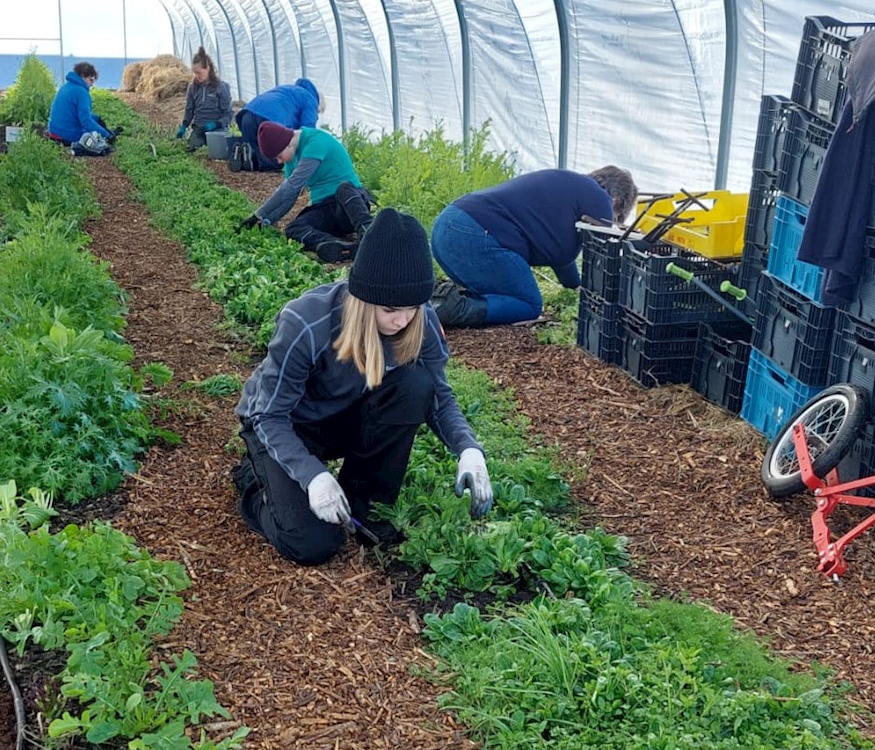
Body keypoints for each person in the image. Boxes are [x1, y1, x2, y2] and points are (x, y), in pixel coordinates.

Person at [233, 207, 492, 566]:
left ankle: (364, 503)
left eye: (412, 308)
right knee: (312, 544)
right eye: (389, 309)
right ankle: (255, 480)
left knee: (415, 384)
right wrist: (313, 478)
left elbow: (437, 395)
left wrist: (468, 449)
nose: (402, 320)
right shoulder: (306, 323)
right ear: (364, 296)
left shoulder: (420, 322)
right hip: (286, 426)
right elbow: (269, 416)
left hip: (345, 414)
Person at [428, 166, 639, 328]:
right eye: (617, 218)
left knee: (501, 296)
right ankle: (456, 309)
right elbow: (596, 254)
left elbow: (561, 254)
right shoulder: (600, 199)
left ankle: (440, 300)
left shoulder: (570, 187)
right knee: (529, 304)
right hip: (476, 236)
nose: (613, 223)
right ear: (615, 201)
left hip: (447, 227)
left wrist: (575, 284)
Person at [238, 120, 374, 265]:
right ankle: (339, 246)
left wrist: (258, 214)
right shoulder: (291, 157)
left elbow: (290, 186)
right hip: (325, 208)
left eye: (279, 156)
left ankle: (369, 233)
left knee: (344, 188)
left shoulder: (316, 142)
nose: (279, 162)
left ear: (288, 144)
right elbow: (289, 196)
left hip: (349, 206)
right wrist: (266, 220)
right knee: (293, 228)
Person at [232, 76, 321, 171]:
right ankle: (255, 162)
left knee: (254, 147)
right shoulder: (311, 99)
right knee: (276, 157)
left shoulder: (286, 89)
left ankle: (243, 154)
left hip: (248, 113)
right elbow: (308, 130)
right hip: (271, 119)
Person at [47, 62, 116, 156]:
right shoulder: (81, 93)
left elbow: (74, 113)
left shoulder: (65, 86)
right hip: (67, 136)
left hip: (54, 133)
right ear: (83, 76)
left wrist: (96, 119)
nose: (92, 84)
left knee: (95, 125)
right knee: (100, 146)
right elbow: (86, 122)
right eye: (91, 80)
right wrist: (107, 135)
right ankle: (78, 150)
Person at [175, 48, 234, 150]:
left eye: (199, 72)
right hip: (199, 130)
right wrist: (184, 126)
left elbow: (228, 114)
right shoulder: (192, 87)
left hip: (217, 130)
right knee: (192, 149)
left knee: (217, 151)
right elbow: (189, 110)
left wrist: (216, 124)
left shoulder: (220, 87)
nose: (196, 76)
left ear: (208, 68)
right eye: (194, 73)